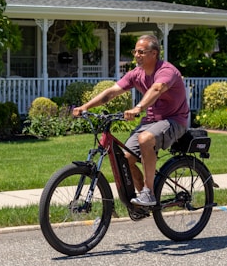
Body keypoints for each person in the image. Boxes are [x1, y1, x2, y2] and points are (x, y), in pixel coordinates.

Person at [72, 34, 189, 206]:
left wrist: (138, 108)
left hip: (174, 120)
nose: (136, 55)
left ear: (154, 53)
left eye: (141, 52)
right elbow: (112, 92)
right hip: (151, 121)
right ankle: (143, 200)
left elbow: (157, 88)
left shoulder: (166, 71)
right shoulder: (136, 74)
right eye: (135, 51)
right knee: (125, 158)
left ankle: (149, 193)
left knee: (145, 139)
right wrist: (85, 107)